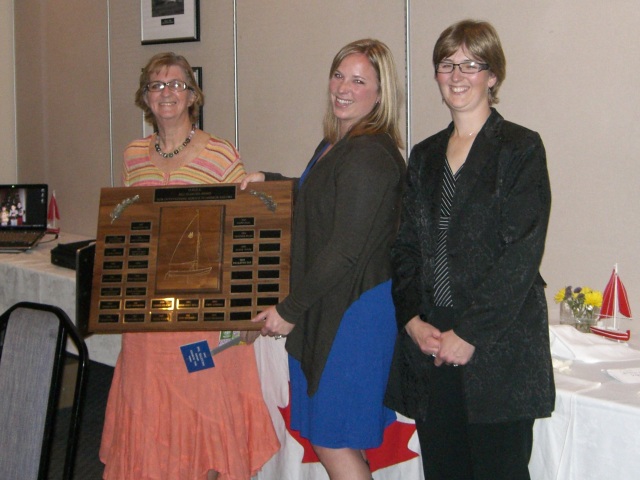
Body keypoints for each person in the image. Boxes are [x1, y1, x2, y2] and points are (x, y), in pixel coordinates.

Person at [384, 19, 554, 480]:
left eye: (471, 64)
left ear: (492, 75)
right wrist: (412, 320)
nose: (457, 76)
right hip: (431, 341)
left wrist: (470, 333)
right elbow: (404, 248)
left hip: (496, 346)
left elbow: (521, 255)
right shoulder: (423, 154)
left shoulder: (519, 148)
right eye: (447, 64)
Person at [99, 52, 279, 480]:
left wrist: (247, 311)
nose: (167, 93)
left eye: (176, 84)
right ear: (145, 97)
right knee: (149, 414)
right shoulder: (133, 155)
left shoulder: (218, 154)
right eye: (157, 85)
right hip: (149, 322)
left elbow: (245, 232)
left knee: (206, 414)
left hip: (202, 320)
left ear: (192, 95)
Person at [240, 39, 405, 480]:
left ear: (380, 93)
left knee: (332, 438)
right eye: (338, 75)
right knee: (333, 435)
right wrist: (271, 182)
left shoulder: (370, 152)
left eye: (358, 80)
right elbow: (323, 197)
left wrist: (290, 310)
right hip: (334, 304)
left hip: (351, 313)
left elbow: (346, 247)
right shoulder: (340, 142)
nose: (343, 88)